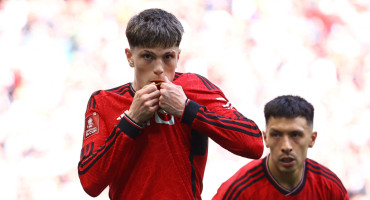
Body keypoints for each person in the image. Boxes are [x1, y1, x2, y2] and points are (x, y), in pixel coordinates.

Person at [77, 8, 264, 200]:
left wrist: (188, 109)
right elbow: (90, 183)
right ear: (130, 56)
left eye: (167, 57)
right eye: (148, 56)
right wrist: (131, 121)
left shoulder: (195, 88)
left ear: (178, 56)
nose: (159, 69)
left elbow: (254, 144)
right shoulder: (103, 101)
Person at [213, 95, 349, 200]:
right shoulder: (238, 191)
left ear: (312, 139)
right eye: (276, 135)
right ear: (266, 138)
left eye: (295, 135)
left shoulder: (330, 189)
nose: (286, 146)